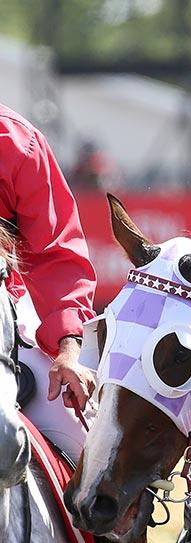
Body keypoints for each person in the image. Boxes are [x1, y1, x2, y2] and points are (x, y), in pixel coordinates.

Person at [0, 103, 97, 462]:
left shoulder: (15, 140)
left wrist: (68, 349)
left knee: (88, 453)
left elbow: (56, 255)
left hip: (5, 321)